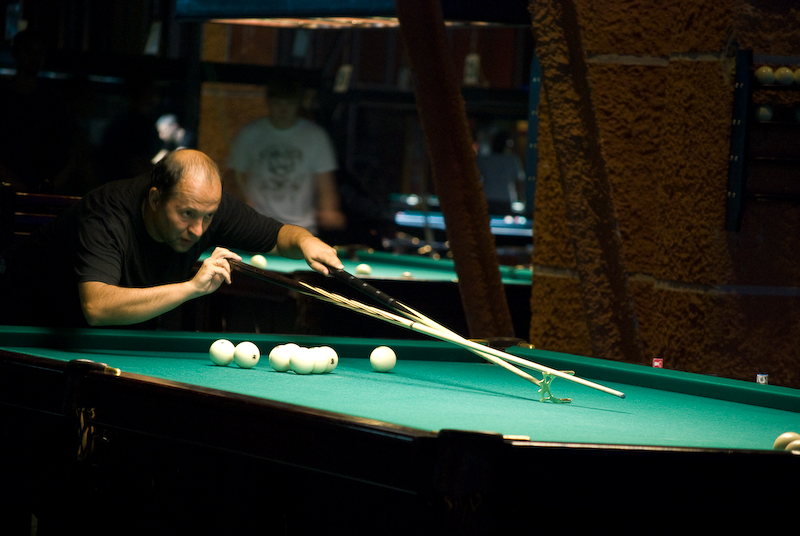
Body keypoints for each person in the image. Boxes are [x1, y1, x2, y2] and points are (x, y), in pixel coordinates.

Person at [3, 149, 343, 329]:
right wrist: (192, 288)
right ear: (155, 199)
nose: (199, 229)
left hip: (108, 337)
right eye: (187, 214)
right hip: (29, 328)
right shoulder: (106, 215)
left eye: (208, 216)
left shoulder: (206, 205)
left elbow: (278, 236)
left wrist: (306, 242)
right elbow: (97, 307)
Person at [226, 68, 346, 236]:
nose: (283, 110)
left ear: (298, 104)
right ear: (268, 102)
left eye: (289, 103)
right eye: (278, 103)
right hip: (256, 229)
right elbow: (235, 180)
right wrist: (239, 206)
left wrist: (329, 210)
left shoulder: (316, 137)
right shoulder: (249, 134)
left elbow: (325, 184)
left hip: (301, 231)